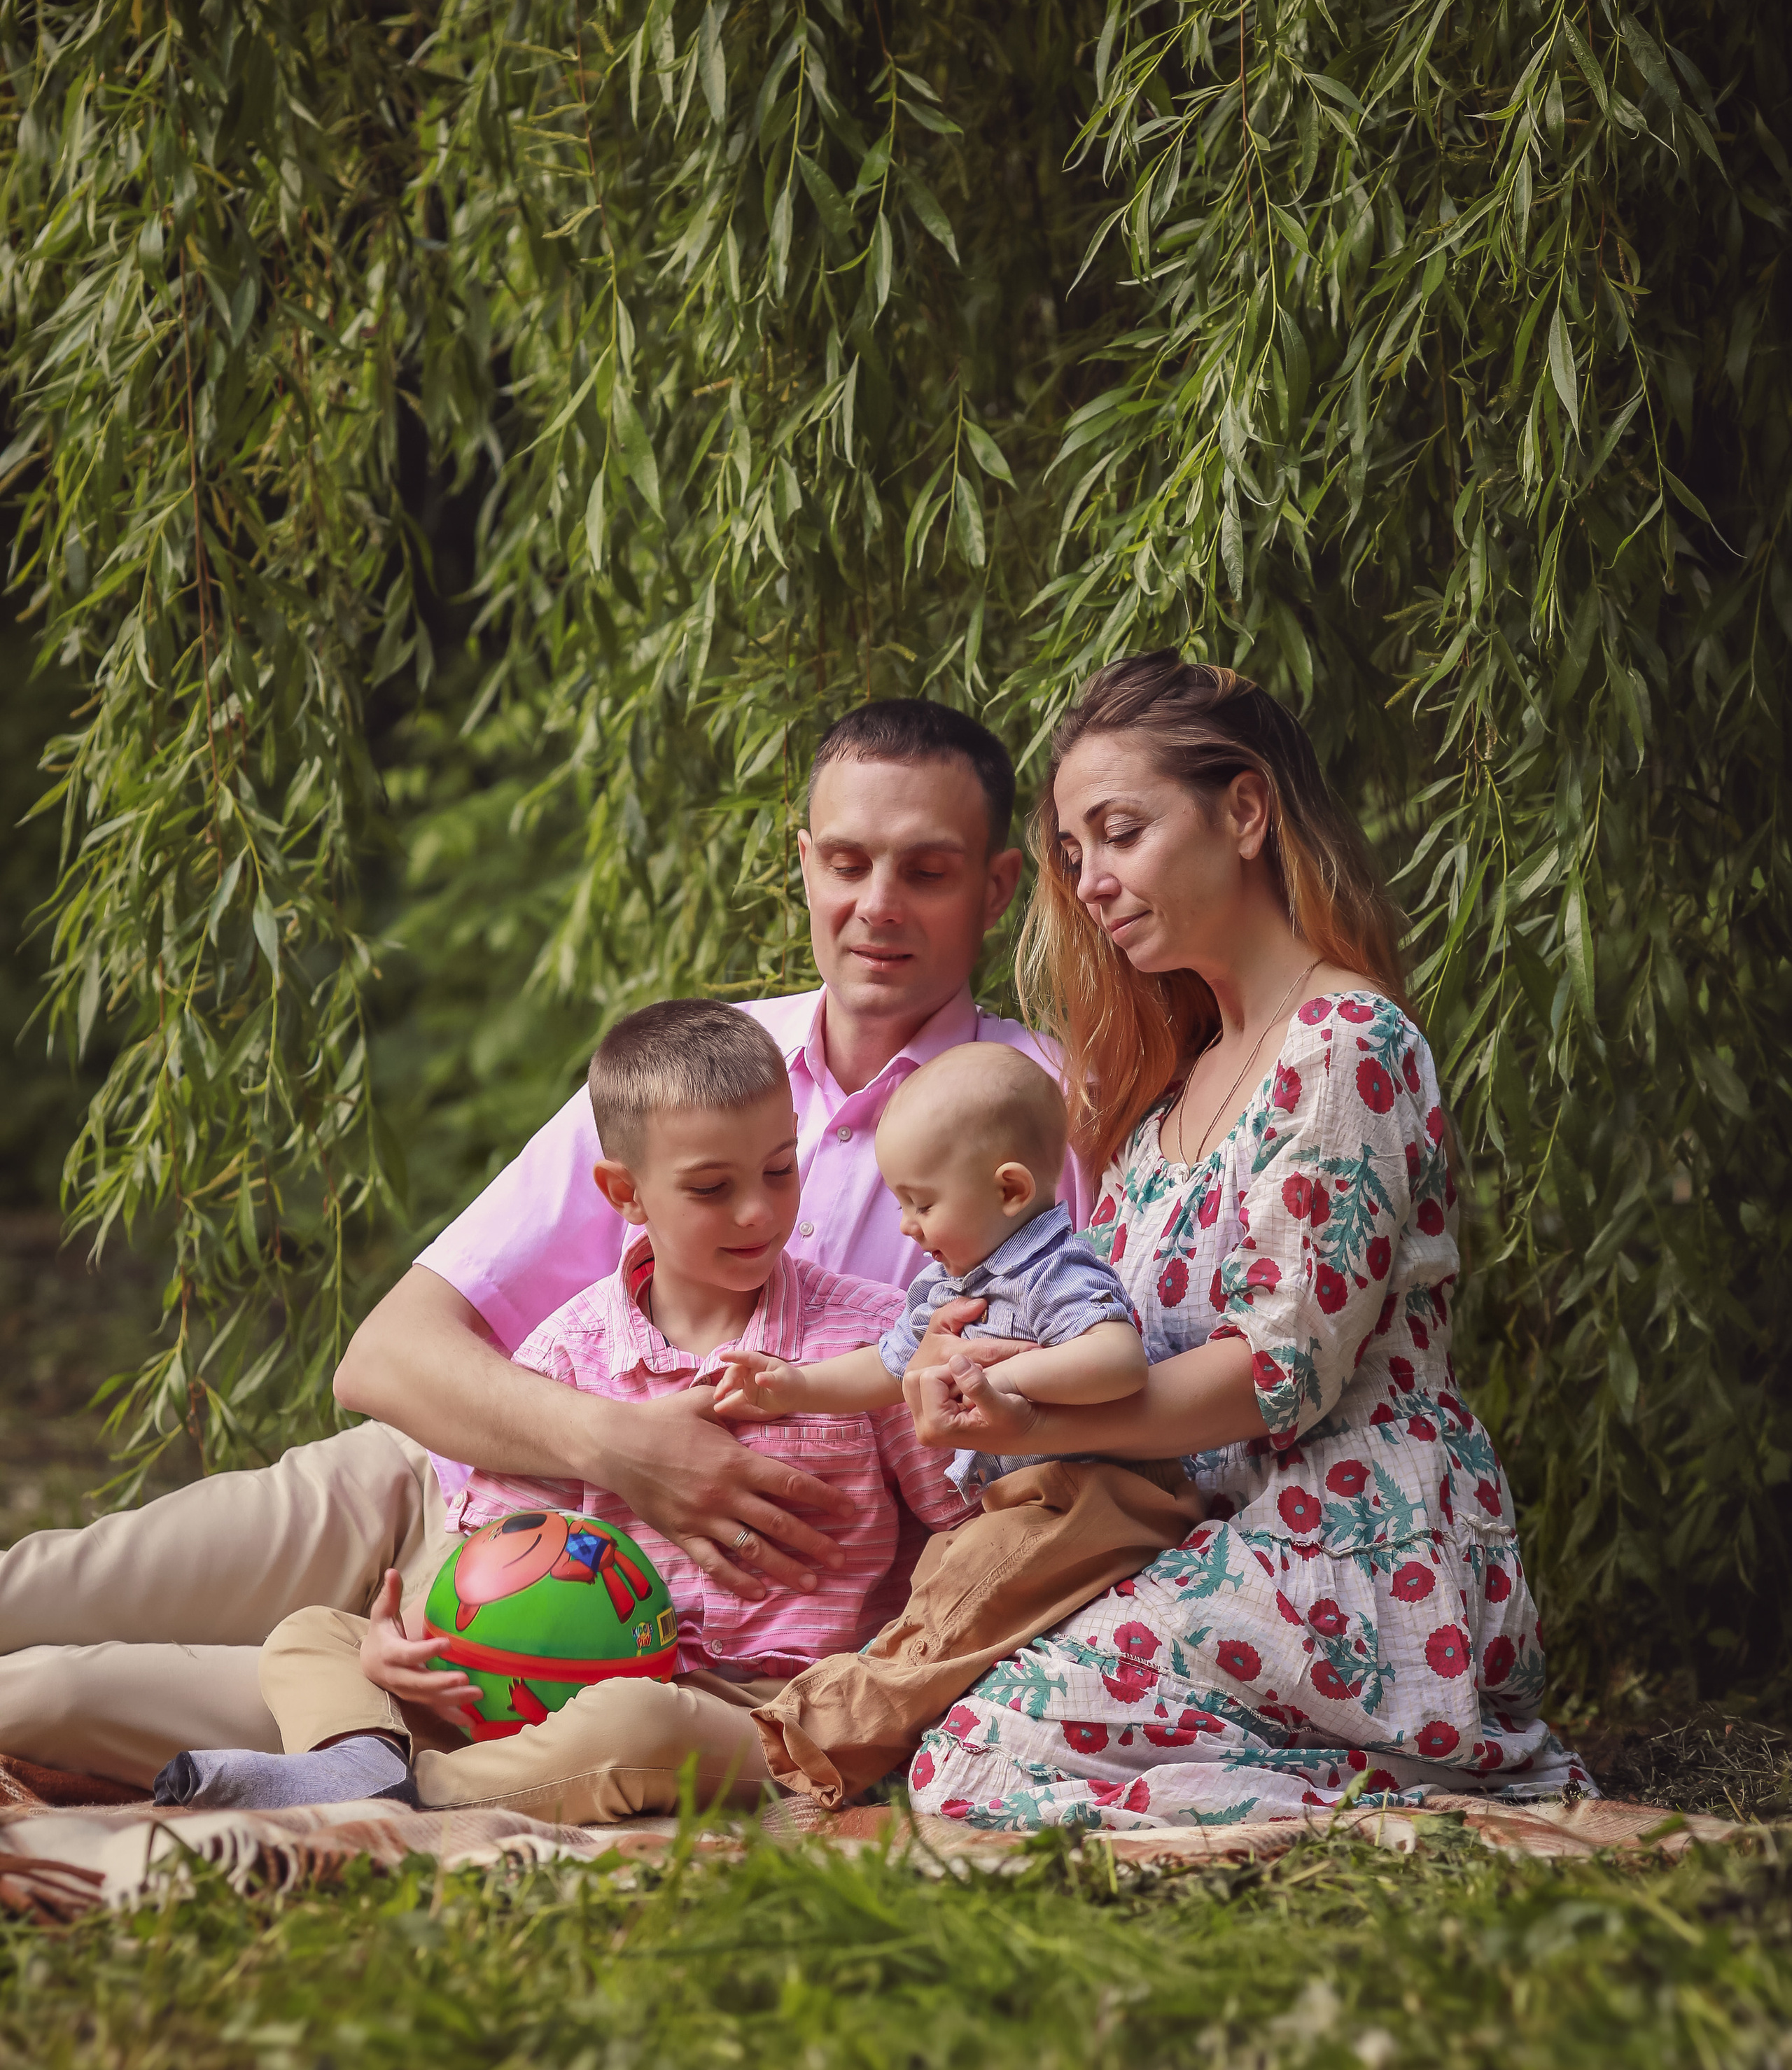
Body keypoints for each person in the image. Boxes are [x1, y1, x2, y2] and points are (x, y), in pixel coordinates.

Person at [0, 700, 1079, 1785]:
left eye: (926, 873)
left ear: (993, 889)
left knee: (48, 1699)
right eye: (846, 862)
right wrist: (620, 1448)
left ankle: (362, 1773)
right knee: (43, 1591)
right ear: (803, 862)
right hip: (444, 1491)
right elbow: (386, 1357)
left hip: (653, 1645)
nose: (875, 907)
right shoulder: (696, 1068)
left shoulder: (1037, 1118)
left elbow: (1025, 1484)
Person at [895, 653, 1595, 1828]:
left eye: (1120, 833)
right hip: (1206, 1534)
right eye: (1073, 855)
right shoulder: (1171, 1092)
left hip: (1356, 1543)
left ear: (1248, 812)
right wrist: (967, 1357)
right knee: (940, 1722)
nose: (1091, 882)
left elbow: (1276, 1374)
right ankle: (1358, 1779)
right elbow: (1097, 1325)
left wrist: (1029, 1411)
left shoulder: (1344, 1046)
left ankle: (1406, 1781)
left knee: (976, 1758)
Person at [154, 1002, 967, 1824]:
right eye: (712, 1188)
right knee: (312, 1635)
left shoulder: (872, 1337)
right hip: (560, 1680)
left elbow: (962, 1527)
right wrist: (406, 1641)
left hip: (772, 1708)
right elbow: (499, 1553)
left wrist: (894, 1685)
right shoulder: (568, 1351)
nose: (757, 1211)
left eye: (780, 1170)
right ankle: (358, 1754)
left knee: (637, 1722)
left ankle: (409, 1791)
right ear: (626, 1193)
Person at [713, 1039, 1198, 1806]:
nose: (906, 1225)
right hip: (1025, 1499)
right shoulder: (948, 1285)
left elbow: (1117, 1359)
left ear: (1009, 1190)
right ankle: (885, 1733)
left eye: (921, 1201)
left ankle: (828, 1729)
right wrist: (793, 1388)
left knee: (968, 1593)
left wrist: (996, 1374)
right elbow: (887, 1368)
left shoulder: (1054, 1269)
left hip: (1103, 1490)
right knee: (939, 1581)